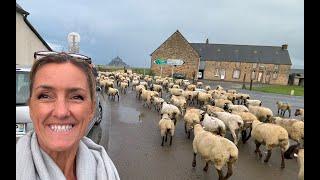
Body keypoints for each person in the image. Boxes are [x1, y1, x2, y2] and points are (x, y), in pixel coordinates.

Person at [16, 51, 120, 180]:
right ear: (31, 107)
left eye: (76, 97)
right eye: (45, 96)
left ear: (91, 109)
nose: (61, 112)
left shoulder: (105, 169)